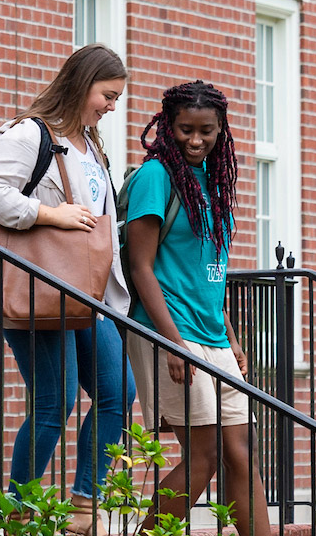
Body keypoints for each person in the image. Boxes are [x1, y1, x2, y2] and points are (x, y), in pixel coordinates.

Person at [0, 44, 136, 536]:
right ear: (81, 84)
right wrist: (50, 213)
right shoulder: (30, 134)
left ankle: (84, 505)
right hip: (38, 287)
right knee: (56, 400)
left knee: (118, 393)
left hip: (85, 292)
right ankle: (19, 512)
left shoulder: (92, 144)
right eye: (107, 95)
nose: (112, 106)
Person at [123, 81, 269, 536]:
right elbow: (142, 267)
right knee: (203, 457)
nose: (195, 140)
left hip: (212, 335)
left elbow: (209, 268)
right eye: (185, 129)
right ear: (168, 126)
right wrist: (172, 344)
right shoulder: (156, 177)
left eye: (206, 130)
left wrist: (230, 333)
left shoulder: (214, 179)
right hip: (170, 332)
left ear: (221, 129)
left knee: (241, 454)